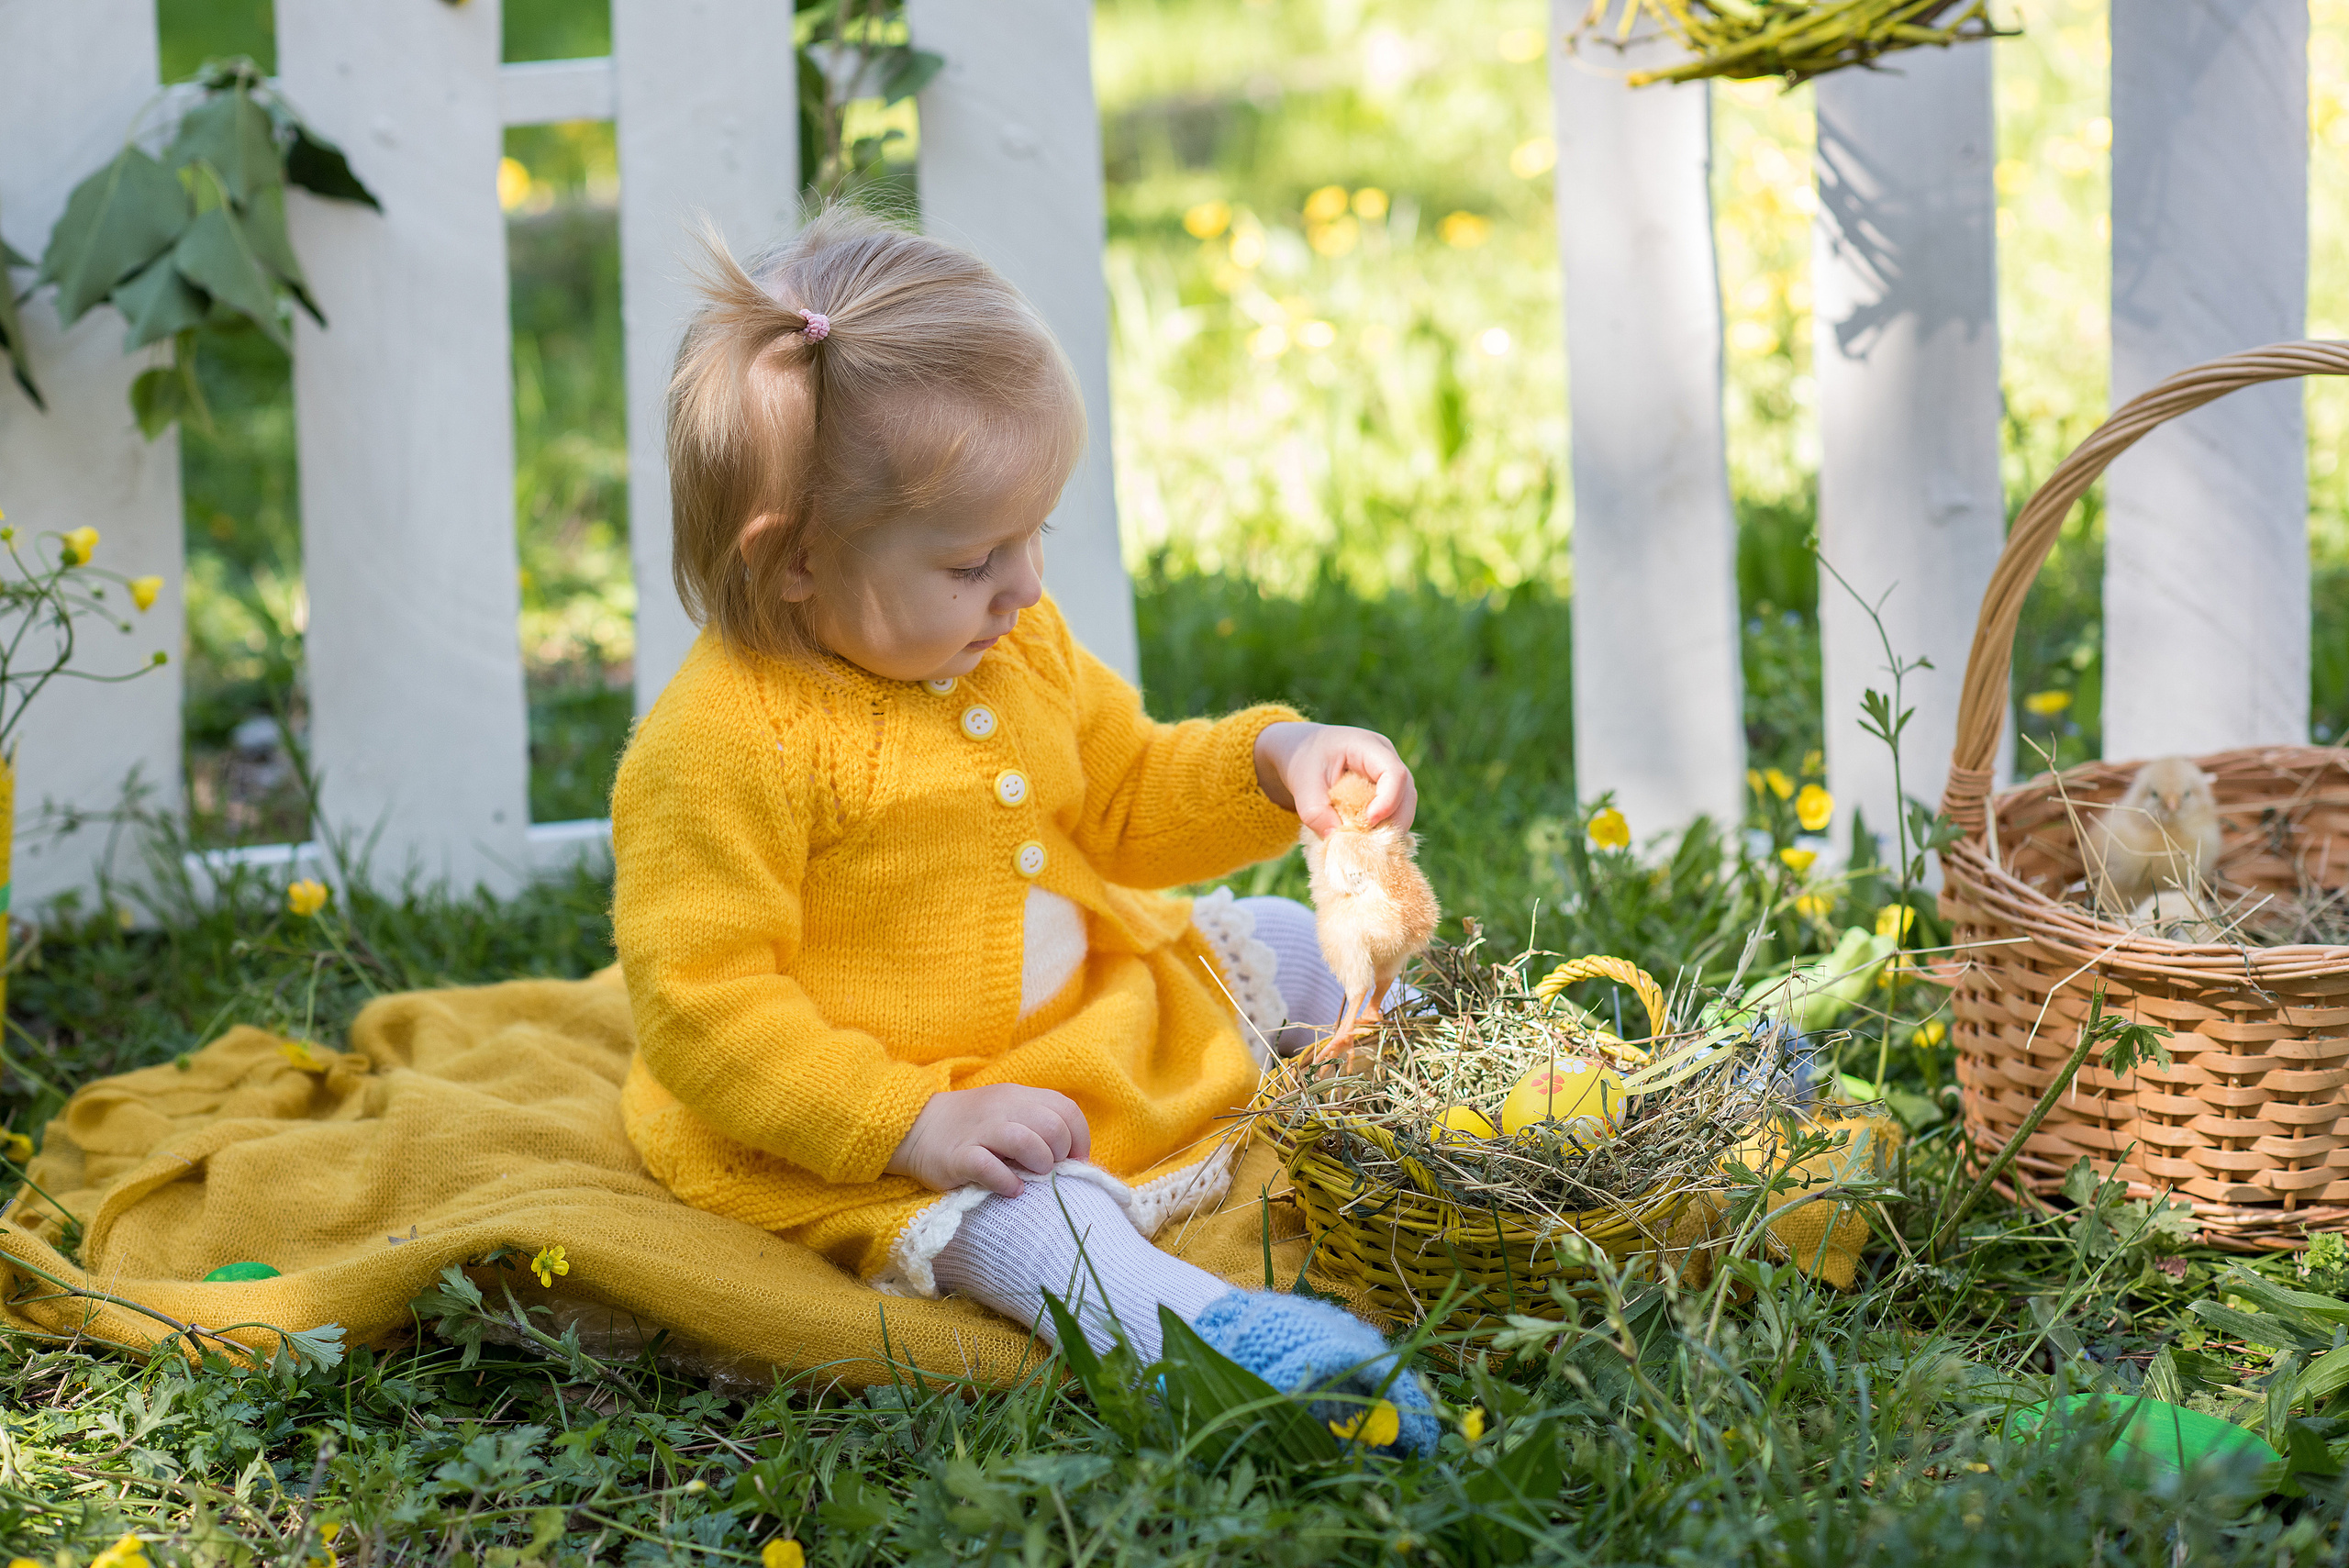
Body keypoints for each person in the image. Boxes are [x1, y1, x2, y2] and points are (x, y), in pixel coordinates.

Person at [610, 206, 1435, 1454]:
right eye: (976, 556)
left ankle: (1512, 1104)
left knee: (1286, 940)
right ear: (791, 563)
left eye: (1036, 533)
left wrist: (1277, 760)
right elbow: (703, 1007)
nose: (1029, 583)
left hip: (1071, 1022)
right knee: (1030, 1217)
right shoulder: (724, 747)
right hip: (864, 1122)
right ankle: (1204, 1341)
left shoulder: (1012, 642)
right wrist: (910, 1121)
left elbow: (1125, 792)